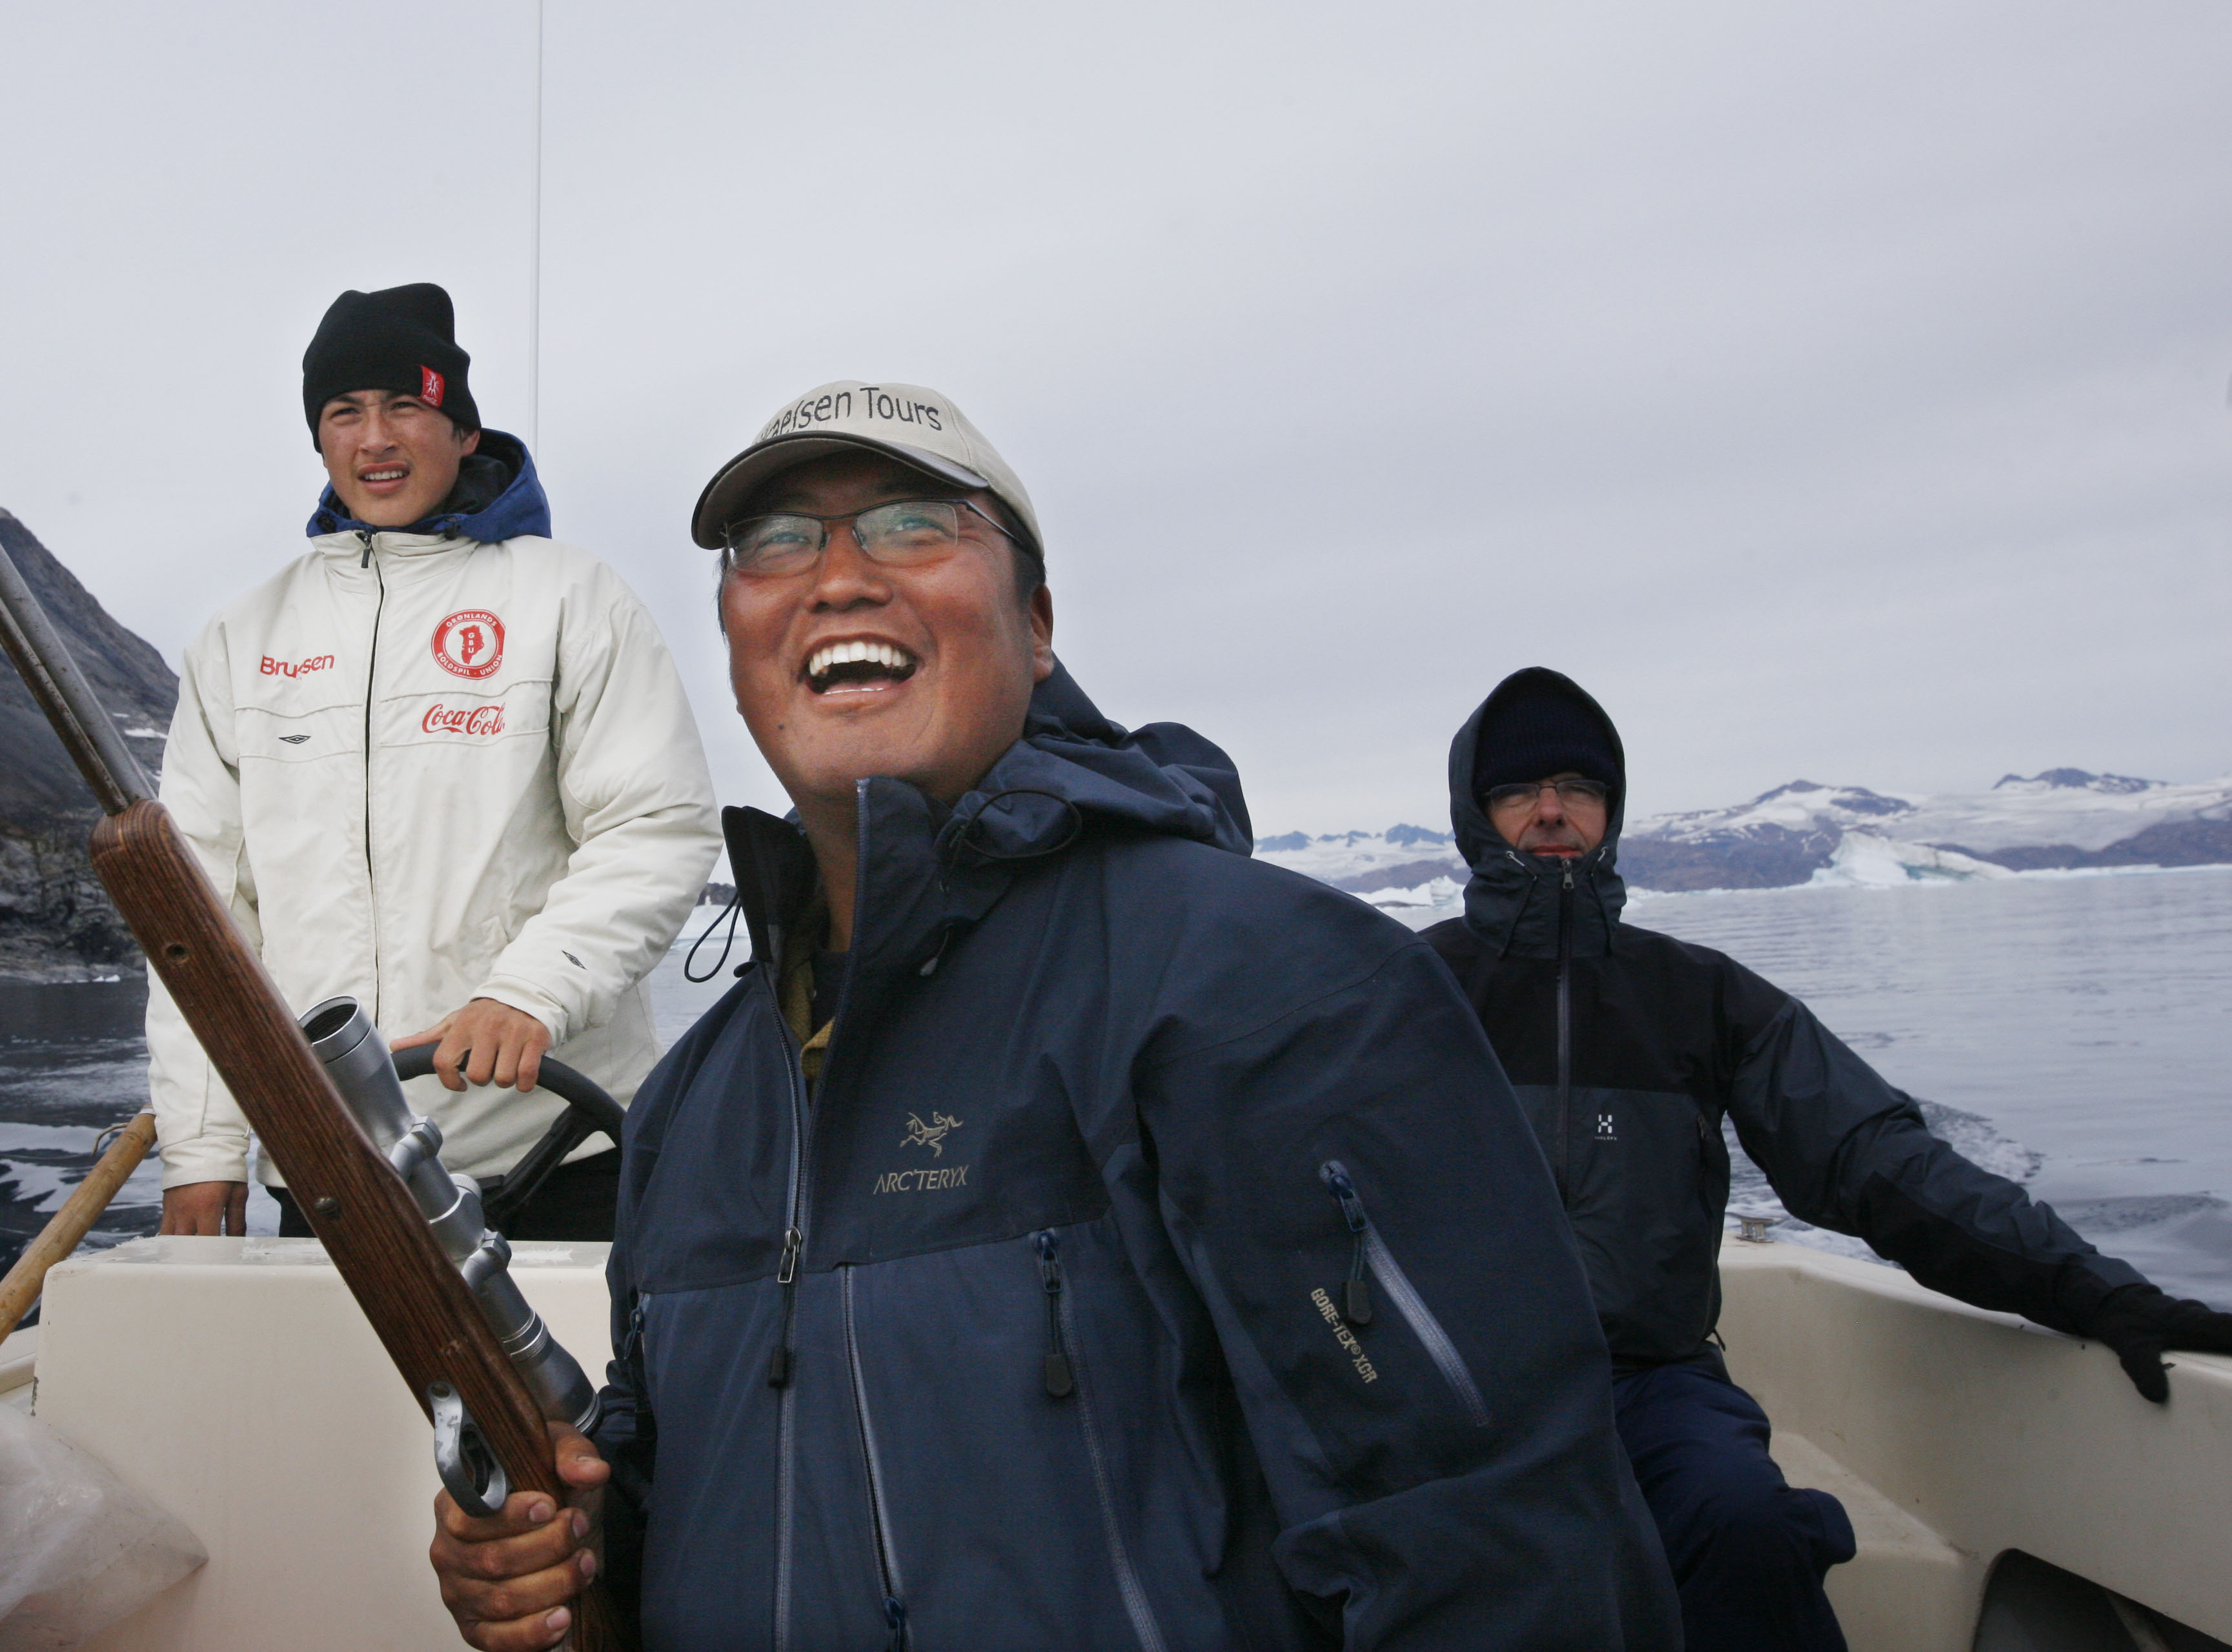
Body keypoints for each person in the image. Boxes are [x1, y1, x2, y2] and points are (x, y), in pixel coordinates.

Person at [425, 382, 1677, 1650]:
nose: (838, 574)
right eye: (778, 541)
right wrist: (576, 1552)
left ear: (1037, 625)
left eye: (914, 523)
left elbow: (1495, 1546)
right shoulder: (697, 1099)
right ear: (739, 646)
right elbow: (674, 1476)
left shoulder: (1269, 984)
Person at [1419, 666, 2232, 1652]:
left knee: (1747, 1522)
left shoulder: (1697, 995)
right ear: (1476, 811)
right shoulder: (1404, 995)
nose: (1551, 811)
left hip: (1655, 1378)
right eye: (1519, 790)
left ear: (1610, 811)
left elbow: (1874, 1158)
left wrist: (2092, 1290)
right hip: (1455, 1383)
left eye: (1578, 788)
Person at [146, 283, 717, 1243]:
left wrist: (525, 991)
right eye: (344, 413)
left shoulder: (570, 597)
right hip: (332, 1168)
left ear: (458, 428)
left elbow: (653, 824)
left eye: (404, 405)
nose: (375, 437)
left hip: (563, 1152)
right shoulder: (241, 638)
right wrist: (201, 1150)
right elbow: (200, 918)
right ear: (320, 442)